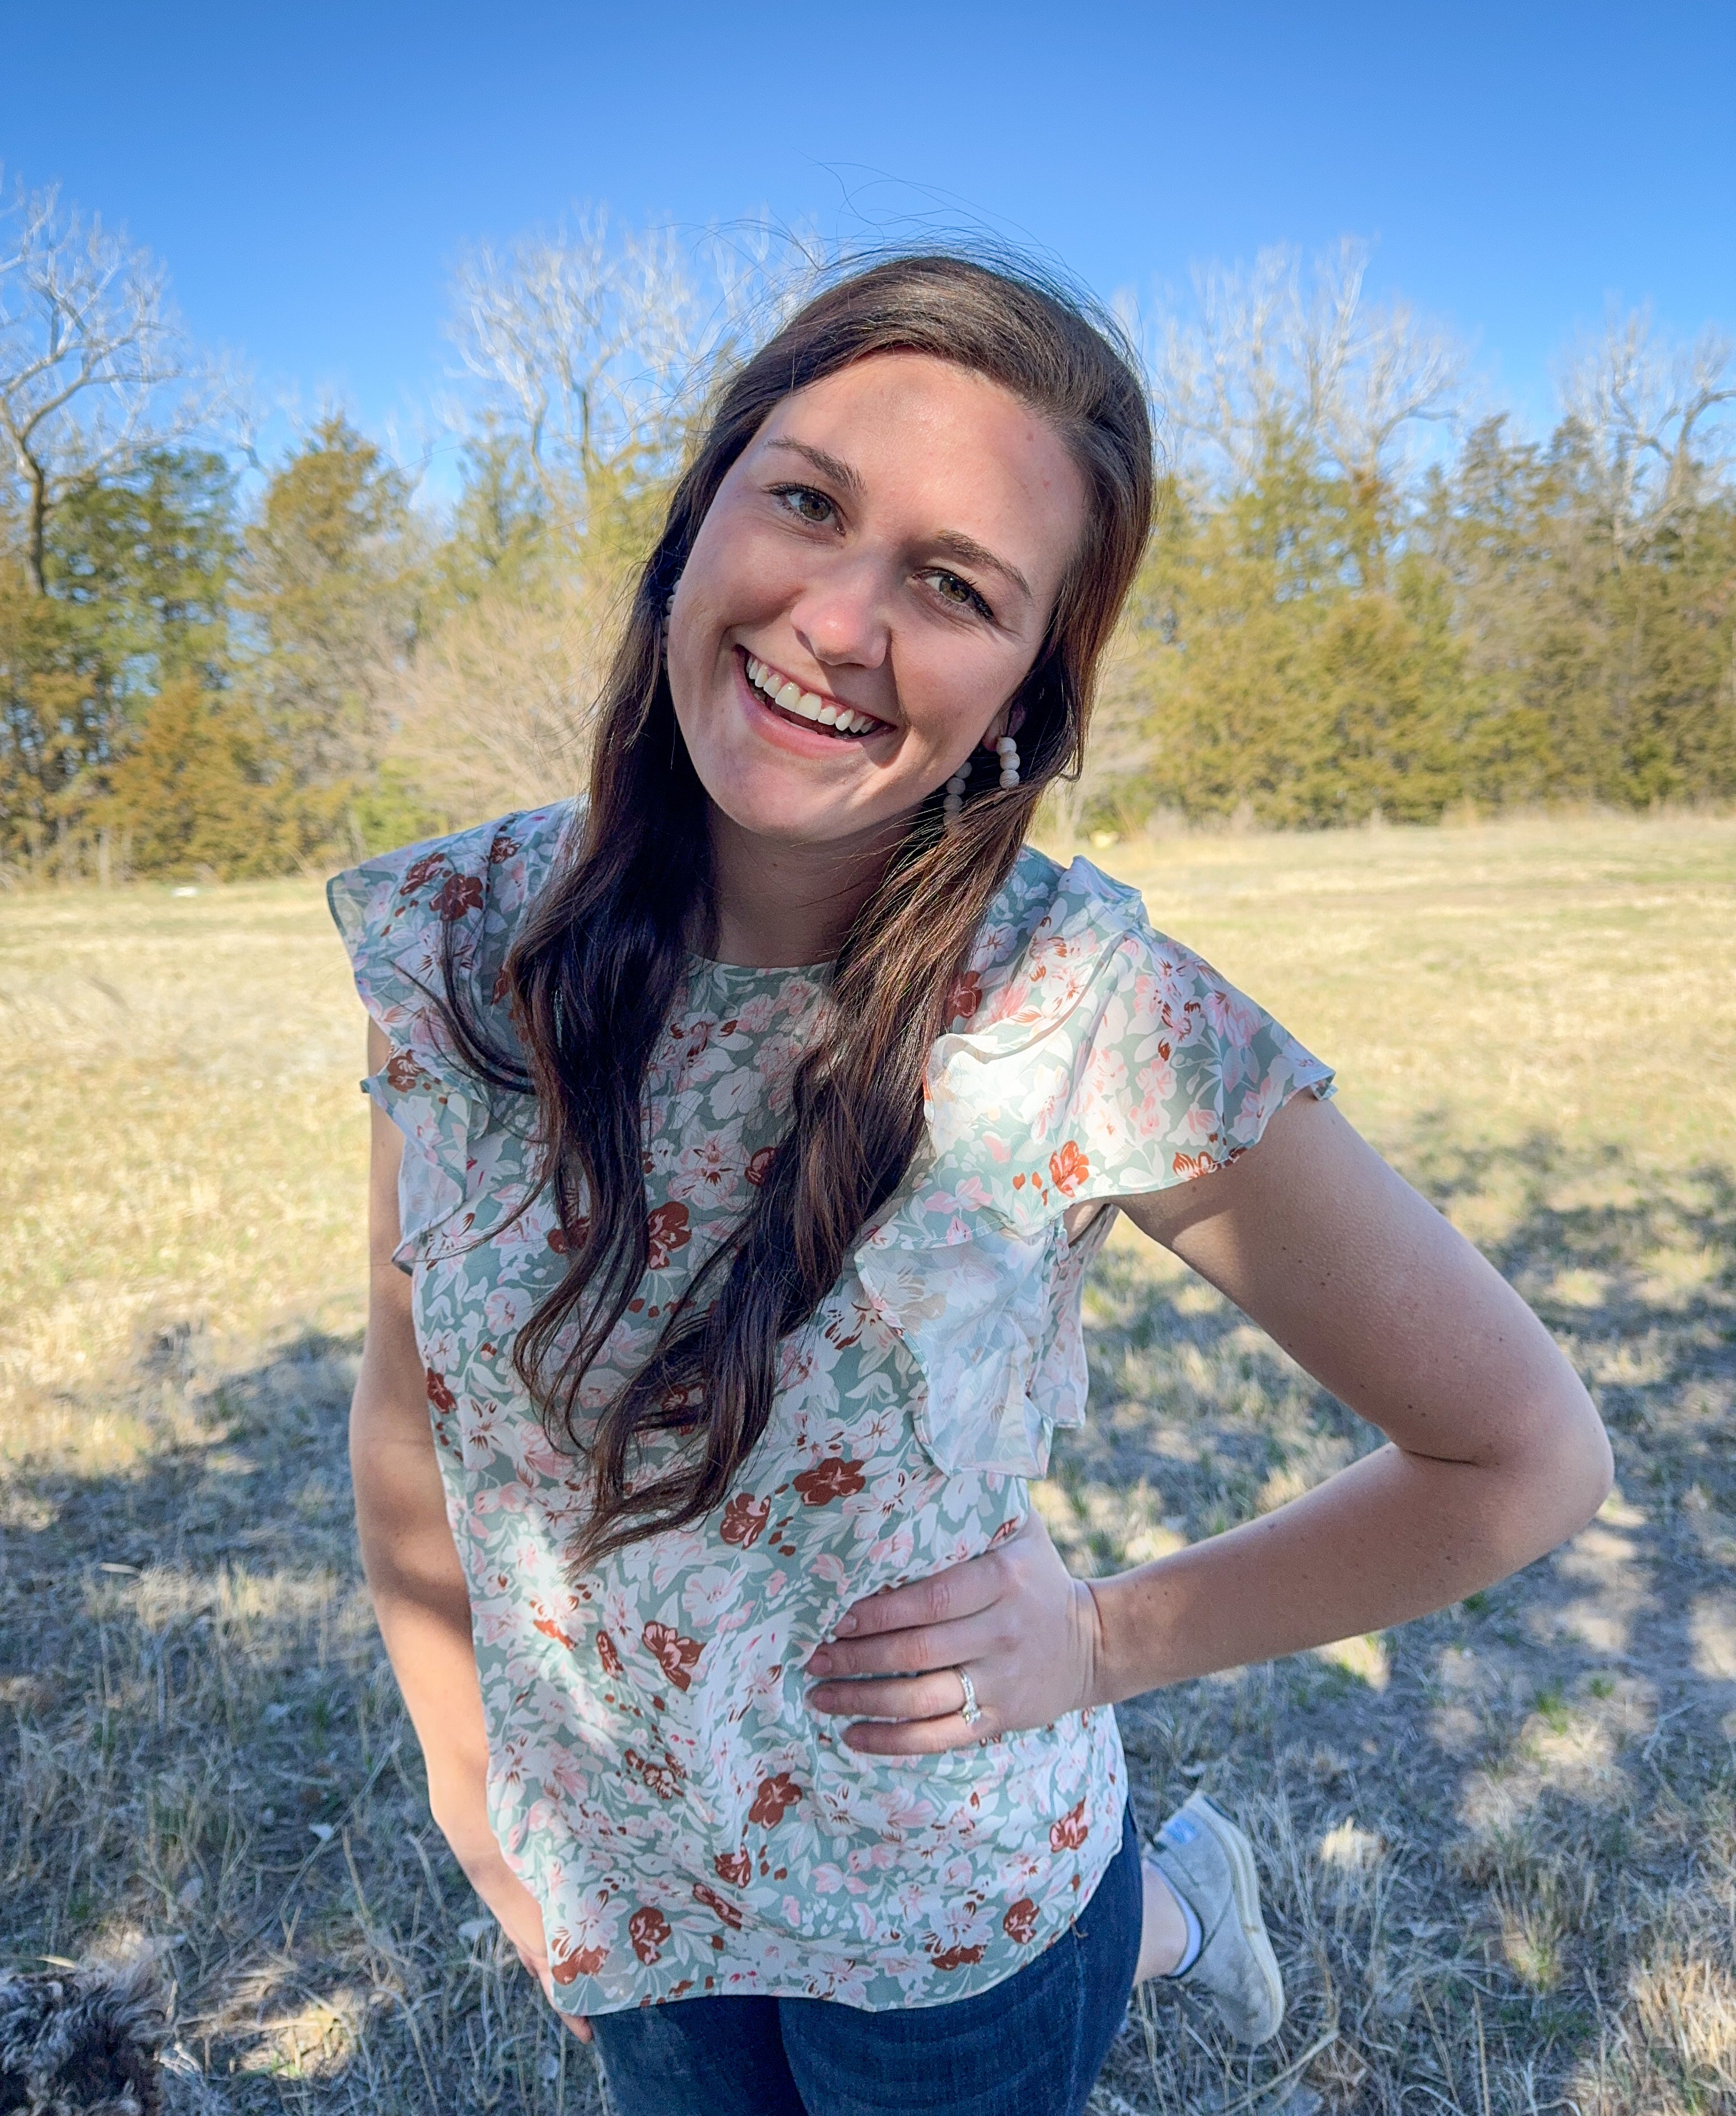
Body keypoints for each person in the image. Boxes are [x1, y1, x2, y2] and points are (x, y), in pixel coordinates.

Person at [331, 255, 1611, 2116]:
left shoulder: (1078, 1006)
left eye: (953, 586)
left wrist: (1099, 1641)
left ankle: (1153, 1908)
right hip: (618, 1882)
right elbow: (405, 1389)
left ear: (1027, 684)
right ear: (695, 523)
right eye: (807, 502)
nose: (842, 621)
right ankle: (1176, 1909)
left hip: (945, 1915)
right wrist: (467, 1775)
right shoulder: (458, 949)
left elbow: (1525, 1453)